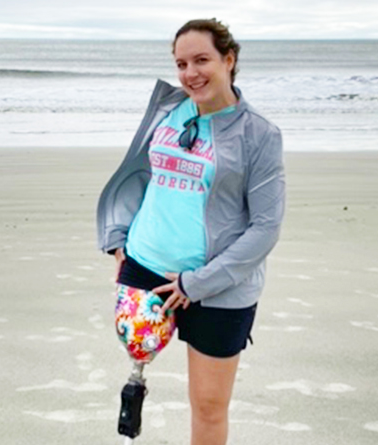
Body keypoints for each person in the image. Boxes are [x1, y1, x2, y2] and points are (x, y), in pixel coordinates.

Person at [96, 18, 285, 445]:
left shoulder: (259, 135)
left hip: (216, 287)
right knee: (135, 373)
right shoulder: (168, 110)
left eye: (201, 60)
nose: (189, 74)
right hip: (145, 267)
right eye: (181, 63)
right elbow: (140, 174)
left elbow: (266, 227)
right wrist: (119, 238)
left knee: (208, 408)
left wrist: (197, 283)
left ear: (229, 60)